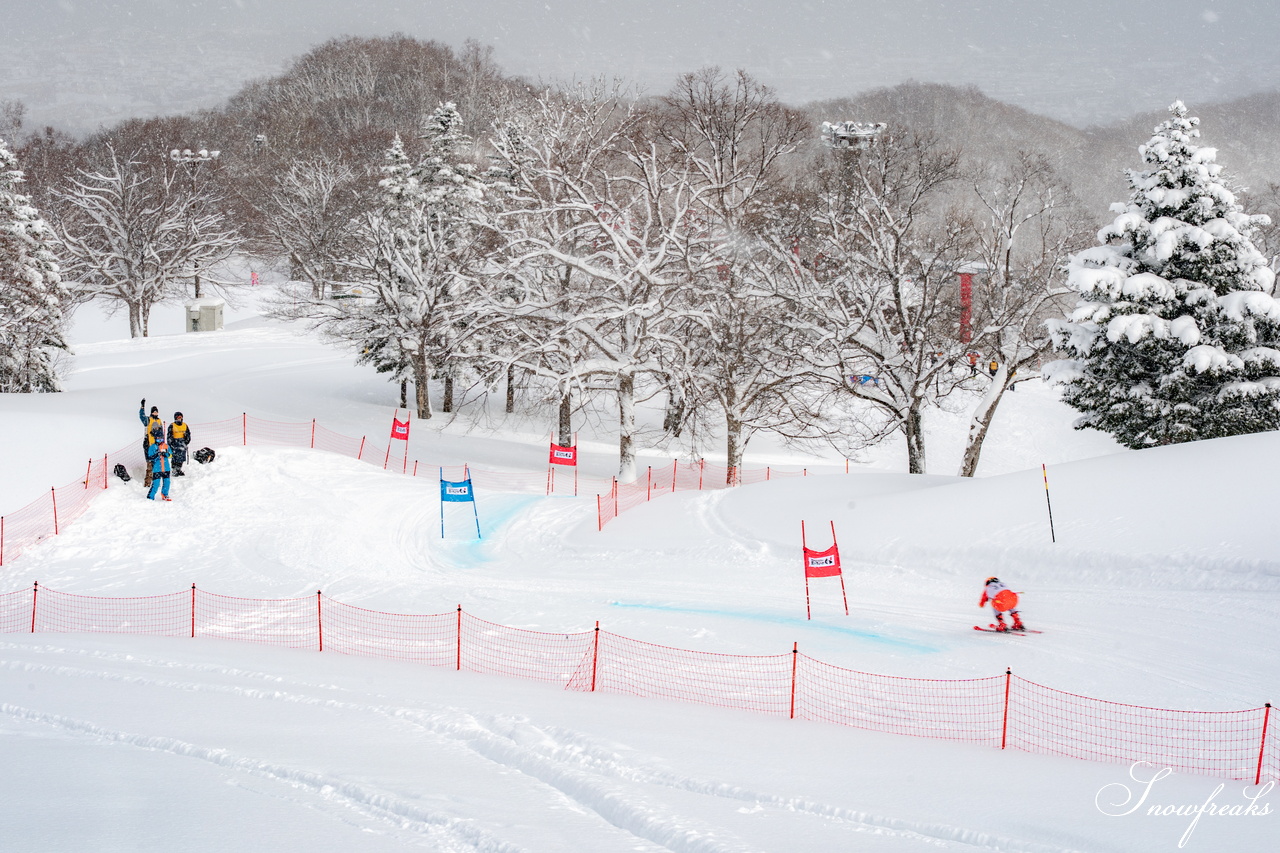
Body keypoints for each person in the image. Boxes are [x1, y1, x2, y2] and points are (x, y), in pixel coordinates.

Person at [138, 399, 163, 488]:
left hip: (157, 445)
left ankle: (155, 481)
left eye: (156, 412)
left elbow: (161, 433)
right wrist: (142, 407)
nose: (155, 413)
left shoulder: (159, 421)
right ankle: (147, 482)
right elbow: (142, 416)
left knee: (156, 464)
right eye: (154, 412)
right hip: (149, 445)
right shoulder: (148, 420)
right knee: (149, 463)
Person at [146, 437, 173, 501]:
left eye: (161, 439)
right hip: (157, 469)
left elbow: (171, 455)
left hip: (166, 468)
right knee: (156, 483)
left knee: (167, 482)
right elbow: (150, 457)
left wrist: (166, 454)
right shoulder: (153, 447)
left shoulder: (166, 446)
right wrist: (157, 454)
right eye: (158, 440)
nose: (160, 441)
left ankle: (165, 494)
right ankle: (150, 496)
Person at [168, 412, 191, 476]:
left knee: (181, 458)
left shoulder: (185, 425)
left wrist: (186, 441)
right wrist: (171, 444)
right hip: (175, 444)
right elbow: (169, 436)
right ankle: (174, 470)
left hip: (182, 443)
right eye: (178, 417)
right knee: (175, 457)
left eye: (180, 417)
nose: (179, 419)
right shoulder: (172, 425)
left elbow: (188, 435)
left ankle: (179, 469)